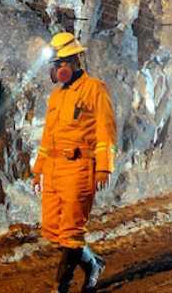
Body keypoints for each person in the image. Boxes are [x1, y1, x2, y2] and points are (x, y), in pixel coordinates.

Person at [32, 32, 117, 292]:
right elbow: (48, 137)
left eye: (62, 63)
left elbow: (106, 129)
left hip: (80, 167)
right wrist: (38, 170)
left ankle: (62, 286)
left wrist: (104, 166)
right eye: (56, 65)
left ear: (75, 60)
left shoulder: (94, 88)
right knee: (53, 229)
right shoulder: (57, 96)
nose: (58, 69)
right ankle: (93, 264)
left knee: (70, 231)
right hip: (55, 169)